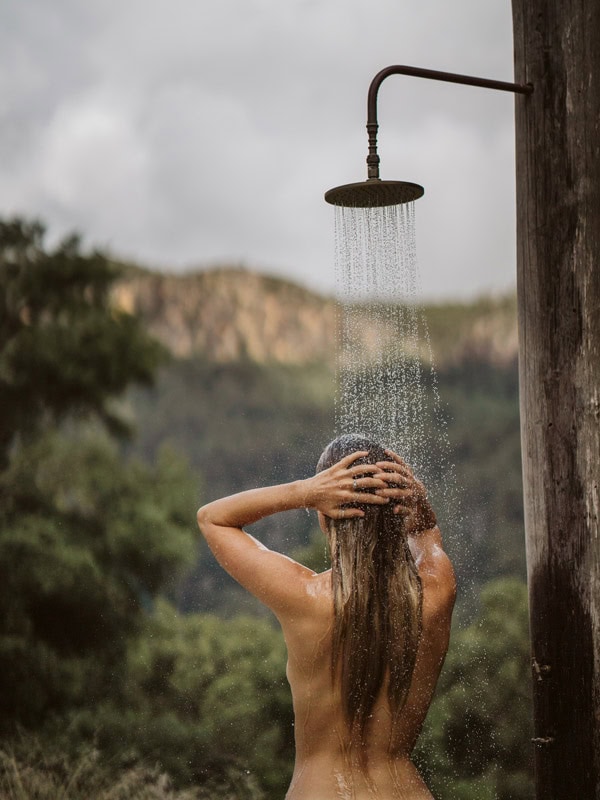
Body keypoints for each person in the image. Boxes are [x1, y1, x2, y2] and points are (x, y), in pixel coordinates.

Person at [196, 433, 456, 799]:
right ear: (398, 508)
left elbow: (213, 519)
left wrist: (306, 490)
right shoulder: (435, 593)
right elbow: (426, 532)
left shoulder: (307, 598)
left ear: (325, 515)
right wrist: (419, 501)